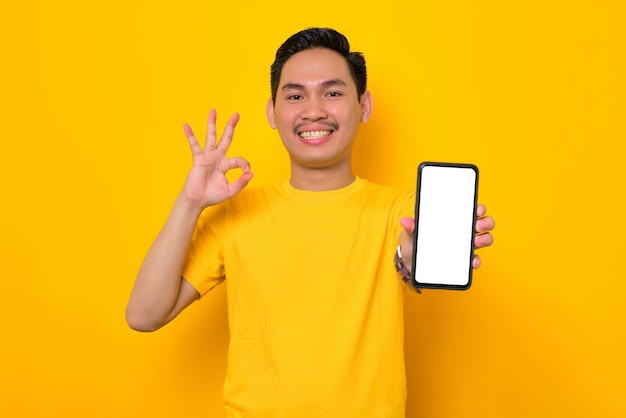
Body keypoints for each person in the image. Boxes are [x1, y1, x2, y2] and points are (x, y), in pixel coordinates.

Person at [126, 27, 495, 418]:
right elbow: (144, 315)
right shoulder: (237, 213)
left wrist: (414, 258)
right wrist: (190, 203)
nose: (313, 109)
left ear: (364, 105)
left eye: (332, 93)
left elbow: (409, 253)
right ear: (272, 111)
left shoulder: (399, 210)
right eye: (296, 95)